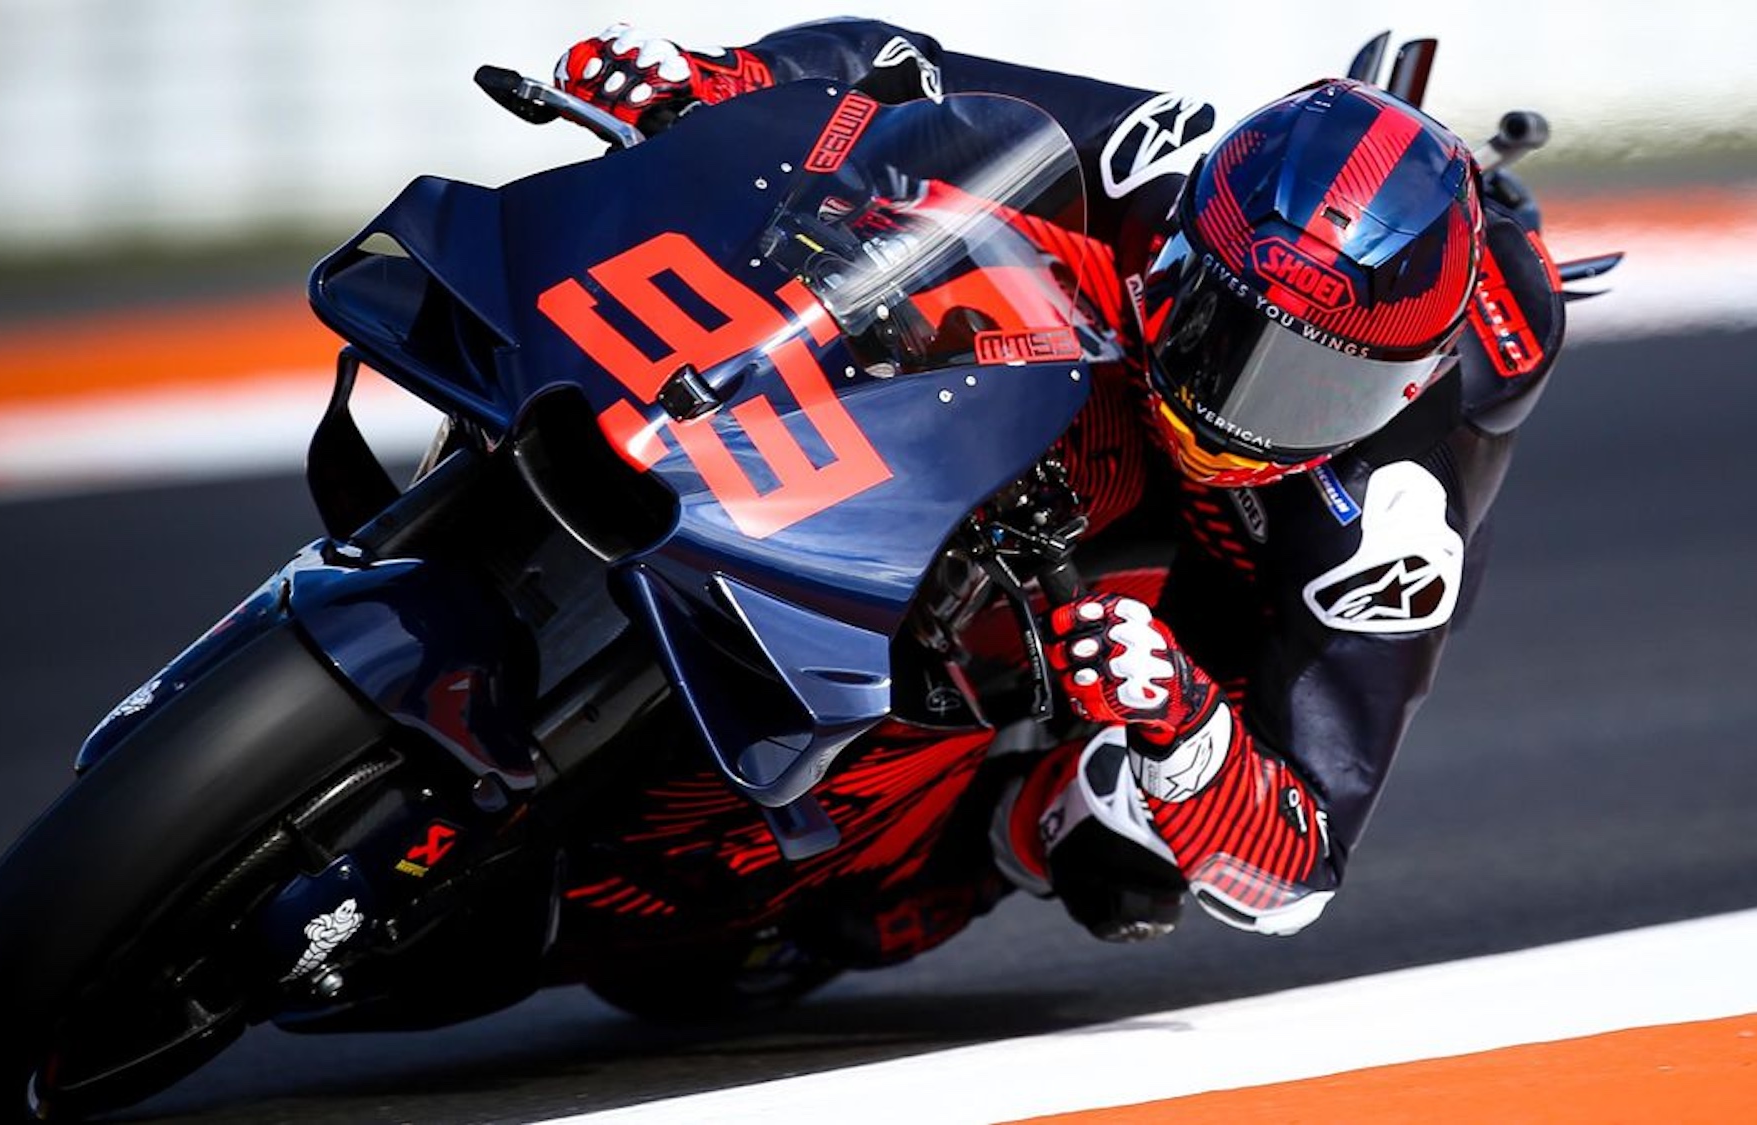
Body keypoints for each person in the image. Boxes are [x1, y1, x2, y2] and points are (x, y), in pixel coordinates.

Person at [551, 21, 1568, 942]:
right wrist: (717, 82)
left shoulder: (1391, 529)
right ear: (1186, 242)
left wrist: (1181, 716)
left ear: (1406, 385)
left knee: (1117, 833)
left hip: (1210, 601)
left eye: (1312, 387)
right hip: (1086, 376)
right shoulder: (1160, 164)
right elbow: (898, 76)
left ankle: (996, 836)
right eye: (1224, 333)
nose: (1242, 412)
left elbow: (1297, 872)